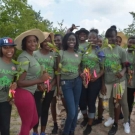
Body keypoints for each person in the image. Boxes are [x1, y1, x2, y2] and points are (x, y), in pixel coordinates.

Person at [14, 29, 50, 135]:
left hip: (30, 93)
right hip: (23, 93)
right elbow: (20, 82)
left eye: (34, 41)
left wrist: (39, 84)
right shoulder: (23, 57)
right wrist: (40, 80)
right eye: (29, 41)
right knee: (27, 123)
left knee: (34, 120)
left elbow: (31, 75)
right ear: (24, 44)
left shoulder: (32, 56)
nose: (32, 43)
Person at [100, 26, 130, 135]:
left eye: (112, 37)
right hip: (108, 81)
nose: (111, 39)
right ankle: (112, 117)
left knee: (122, 102)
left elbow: (126, 66)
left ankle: (126, 122)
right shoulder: (103, 51)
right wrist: (103, 84)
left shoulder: (121, 51)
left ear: (115, 36)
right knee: (111, 102)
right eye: (108, 37)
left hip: (119, 81)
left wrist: (122, 72)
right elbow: (102, 69)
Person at [57, 32, 82, 135]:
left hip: (77, 82)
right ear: (66, 41)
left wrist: (82, 74)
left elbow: (79, 69)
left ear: (76, 41)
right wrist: (58, 87)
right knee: (71, 112)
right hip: (65, 83)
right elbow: (58, 71)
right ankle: (66, 132)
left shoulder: (79, 54)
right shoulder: (61, 53)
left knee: (75, 109)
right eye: (69, 40)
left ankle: (72, 130)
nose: (71, 41)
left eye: (73, 39)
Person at [79, 29, 104, 135]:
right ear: (87, 38)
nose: (92, 39)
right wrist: (81, 73)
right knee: (82, 102)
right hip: (84, 80)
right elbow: (79, 64)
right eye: (90, 37)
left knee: (91, 102)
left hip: (95, 81)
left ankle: (89, 124)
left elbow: (103, 68)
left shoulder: (100, 52)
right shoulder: (83, 50)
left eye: (94, 37)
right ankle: (85, 118)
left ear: (97, 39)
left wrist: (97, 76)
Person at [33, 32, 56, 135]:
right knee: (36, 110)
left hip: (50, 87)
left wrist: (52, 84)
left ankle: (43, 132)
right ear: (40, 42)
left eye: (49, 41)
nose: (47, 43)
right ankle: (35, 131)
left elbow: (57, 72)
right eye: (45, 41)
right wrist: (38, 84)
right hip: (37, 87)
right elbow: (30, 71)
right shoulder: (34, 54)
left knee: (45, 109)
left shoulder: (54, 55)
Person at [0, 37, 17, 135]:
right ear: (1, 49)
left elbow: (14, 82)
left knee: (5, 128)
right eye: (5, 47)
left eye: (11, 47)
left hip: (5, 101)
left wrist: (12, 95)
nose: (9, 50)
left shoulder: (15, 65)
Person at [51, 33, 67, 134]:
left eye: (58, 40)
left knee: (65, 102)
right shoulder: (52, 52)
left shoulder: (65, 52)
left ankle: (68, 120)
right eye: (55, 41)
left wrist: (59, 85)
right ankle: (55, 124)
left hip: (63, 81)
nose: (57, 42)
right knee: (53, 103)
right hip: (53, 81)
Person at [126, 36, 135, 123]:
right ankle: (121, 114)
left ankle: (128, 117)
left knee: (130, 101)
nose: (131, 44)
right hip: (124, 82)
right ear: (127, 43)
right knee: (122, 100)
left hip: (133, 83)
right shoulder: (123, 53)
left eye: (133, 43)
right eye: (130, 42)